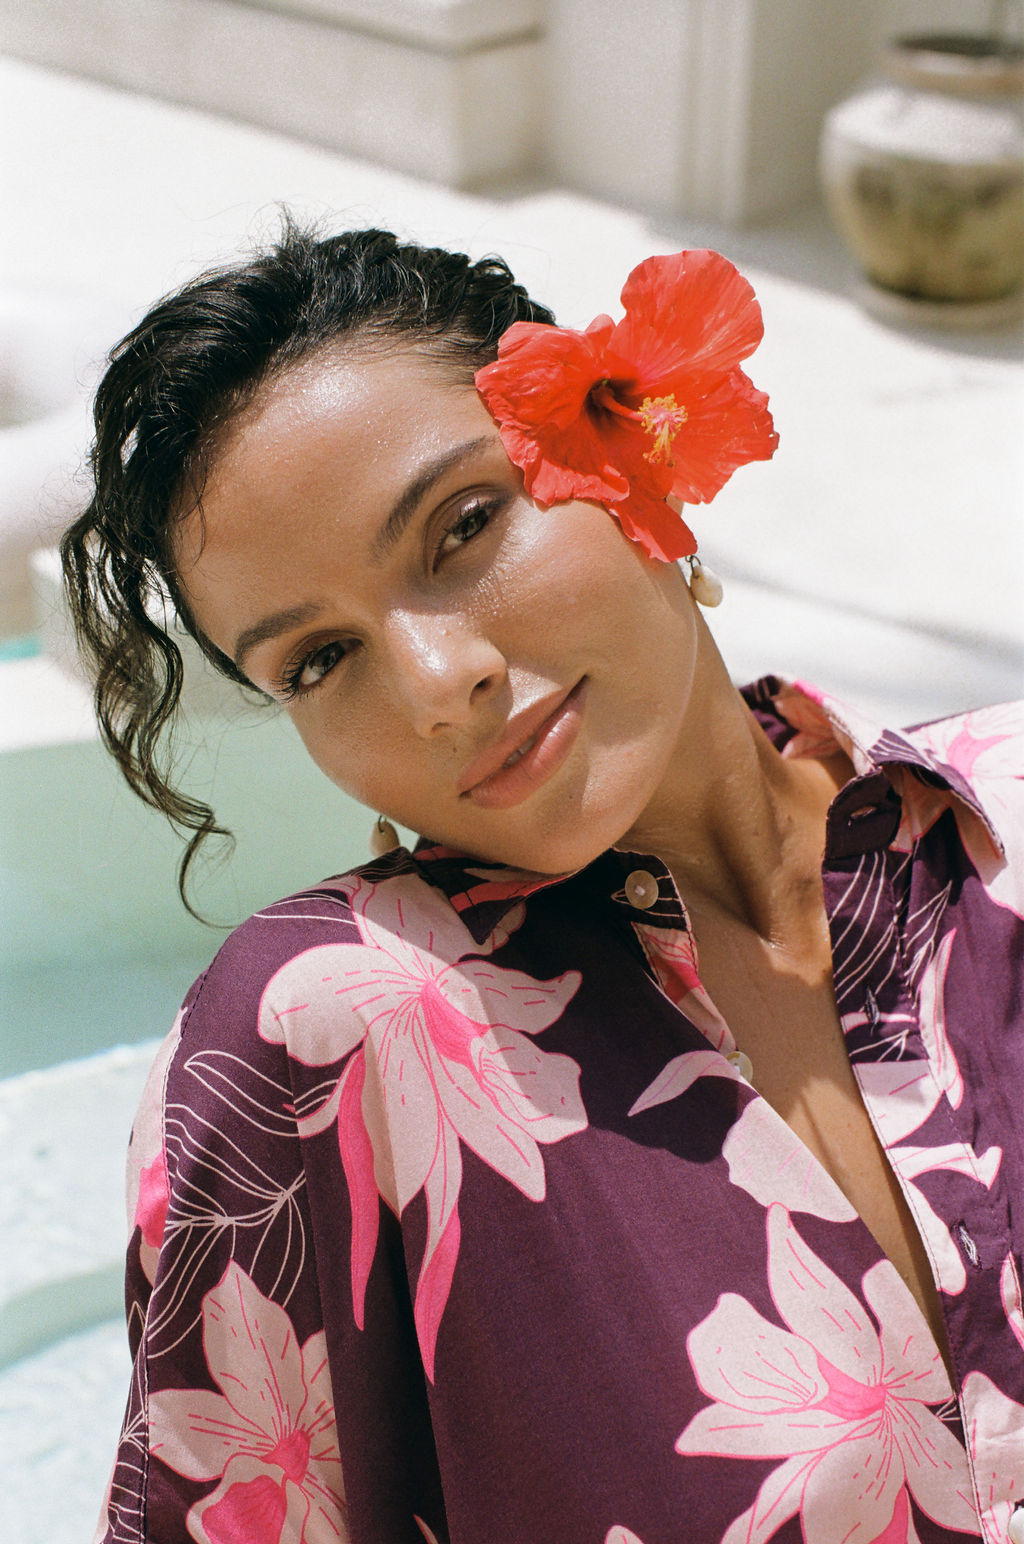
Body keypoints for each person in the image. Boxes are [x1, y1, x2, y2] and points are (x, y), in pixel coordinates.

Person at [62, 224, 1024, 1544]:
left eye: (464, 527)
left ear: (622, 452)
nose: (433, 680)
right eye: (320, 661)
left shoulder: (1008, 822)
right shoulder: (335, 1035)